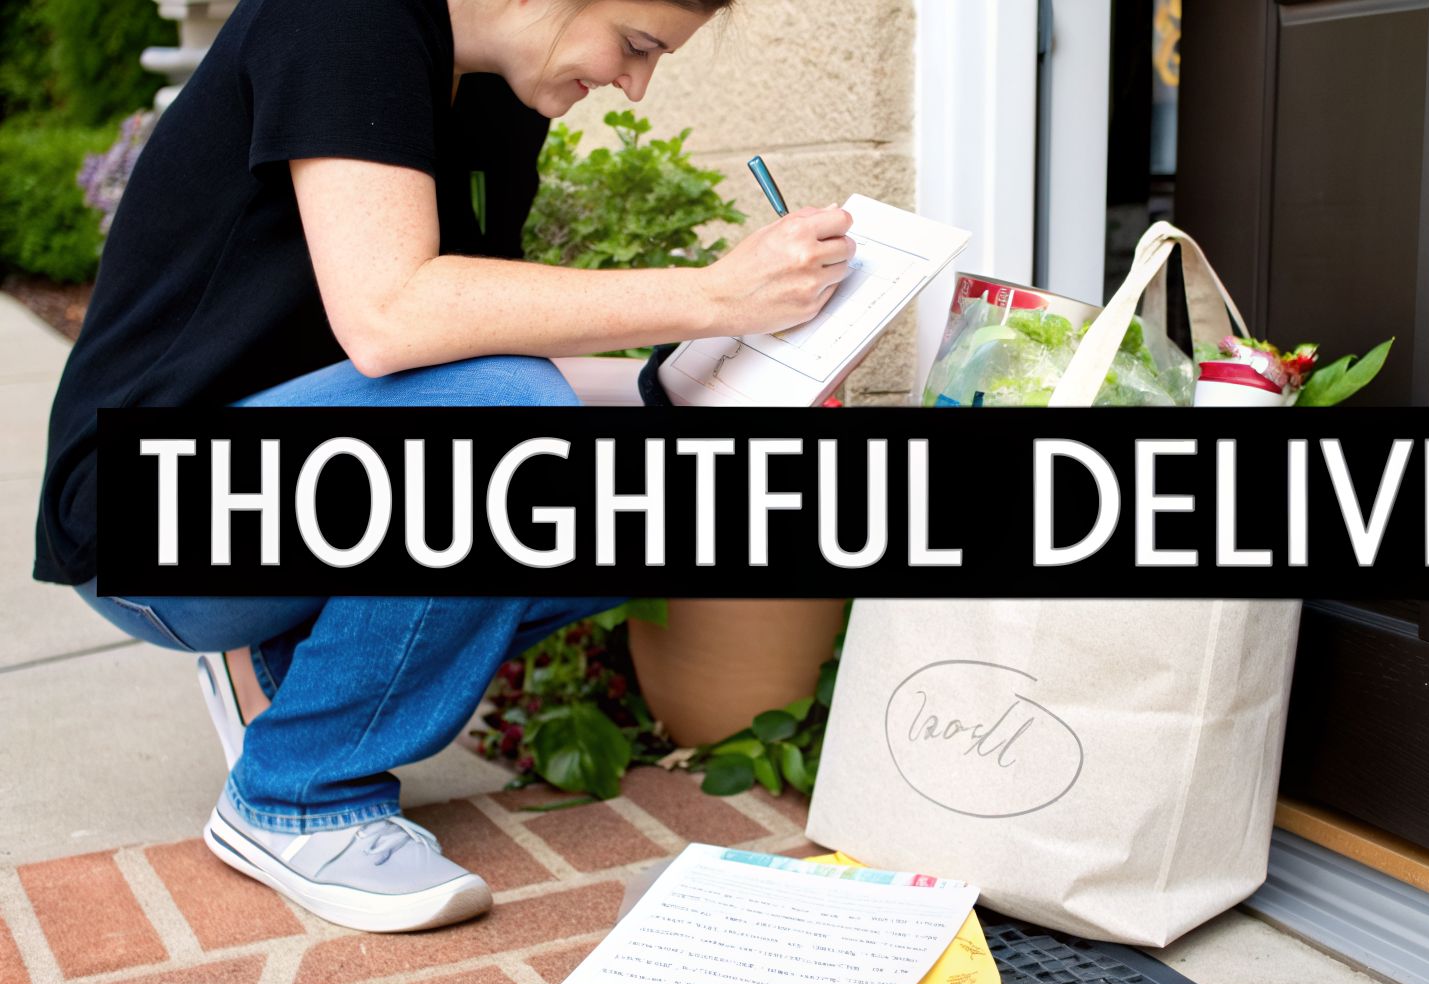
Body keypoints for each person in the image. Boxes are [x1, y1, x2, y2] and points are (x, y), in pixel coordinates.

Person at [32, 0, 855, 933]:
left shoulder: (499, 99)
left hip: (287, 486)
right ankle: (297, 796)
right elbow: (394, 320)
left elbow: (472, 352)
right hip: (145, 520)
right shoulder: (347, 19)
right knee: (504, 421)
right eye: (634, 45)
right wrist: (713, 295)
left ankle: (289, 665)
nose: (634, 84)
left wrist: (691, 391)